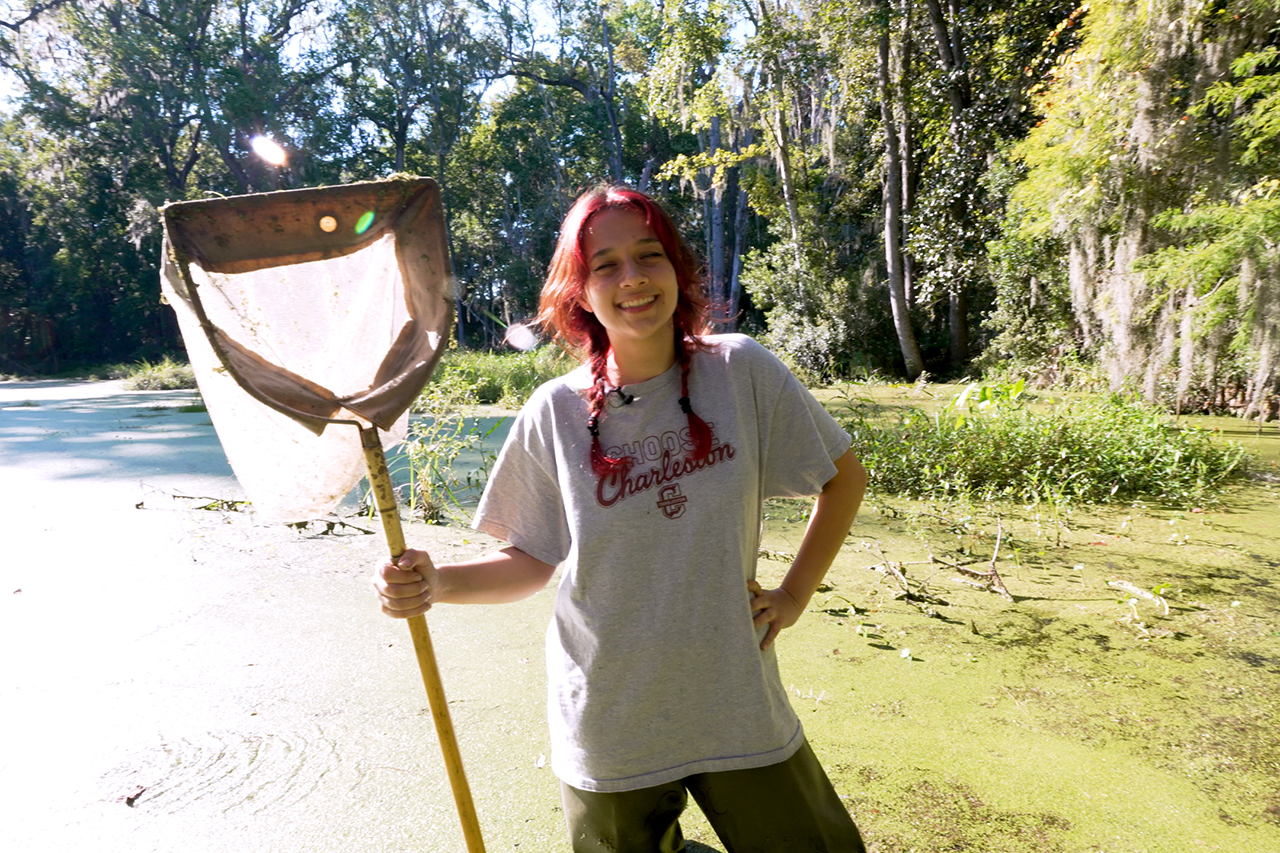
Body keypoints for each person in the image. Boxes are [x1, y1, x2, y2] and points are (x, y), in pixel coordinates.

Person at [375, 185, 869, 853]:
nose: (632, 278)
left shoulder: (741, 371)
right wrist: (437, 584)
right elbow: (532, 559)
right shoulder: (555, 412)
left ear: (676, 269)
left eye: (649, 255)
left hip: (734, 698)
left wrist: (792, 595)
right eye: (605, 264)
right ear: (578, 290)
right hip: (610, 716)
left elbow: (843, 478)